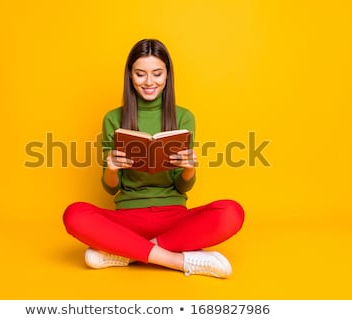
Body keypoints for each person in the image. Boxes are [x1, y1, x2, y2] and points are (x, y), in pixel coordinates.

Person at [63, 39, 244, 279]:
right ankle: (180, 261)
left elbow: (183, 185)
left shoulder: (183, 117)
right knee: (74, 214)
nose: (149, 82)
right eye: (140, 74)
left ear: (168, 75)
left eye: (157, 74)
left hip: (174, 218)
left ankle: (125, 252)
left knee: (232, 212)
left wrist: (189, 170)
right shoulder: (113, 119)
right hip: (128, 217)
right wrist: (111, 169)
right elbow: (110, 188)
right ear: (130, 76)